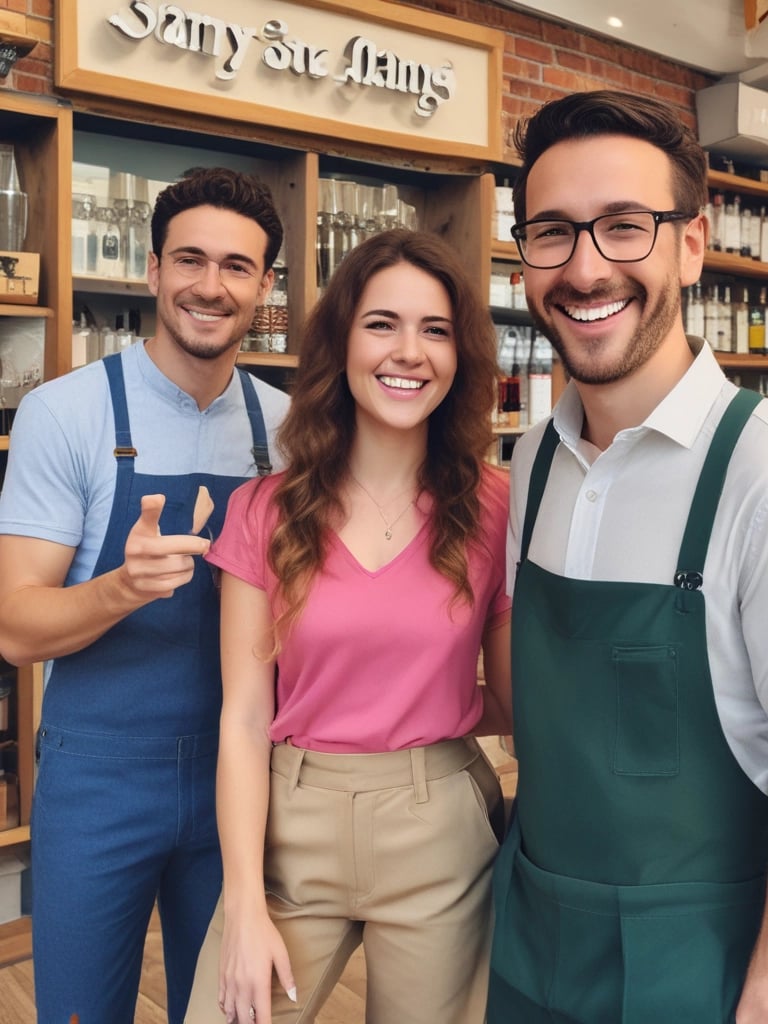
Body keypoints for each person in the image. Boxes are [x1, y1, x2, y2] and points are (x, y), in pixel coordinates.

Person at [487, 89, 768, 1024]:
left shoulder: (757, 472)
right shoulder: (530, 461)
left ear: (691, 245)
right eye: (554, 233)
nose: (585, 267)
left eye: (624, 227)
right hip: (532, 938)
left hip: (702, 966)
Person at [184, 227, 512, 1024]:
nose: (409, 352)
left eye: (435, 331)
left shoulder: (499, 508)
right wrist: (244, 904)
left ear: (460, 357)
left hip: (441, 828)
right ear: (341, 343)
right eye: (382, 325)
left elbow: (518, 705)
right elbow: (243, 717)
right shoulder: (262, 511)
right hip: (290, 830)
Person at [0, 166, 291, 1024]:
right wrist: (120, 589)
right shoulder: (67, 414)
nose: (211, 286)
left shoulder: (291, 430)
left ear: (266, 286)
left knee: (227, 1012)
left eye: (237, 267)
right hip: (97, 782)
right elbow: (16, 626)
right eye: (190, 261)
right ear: (152, 269)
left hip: (237, 781)